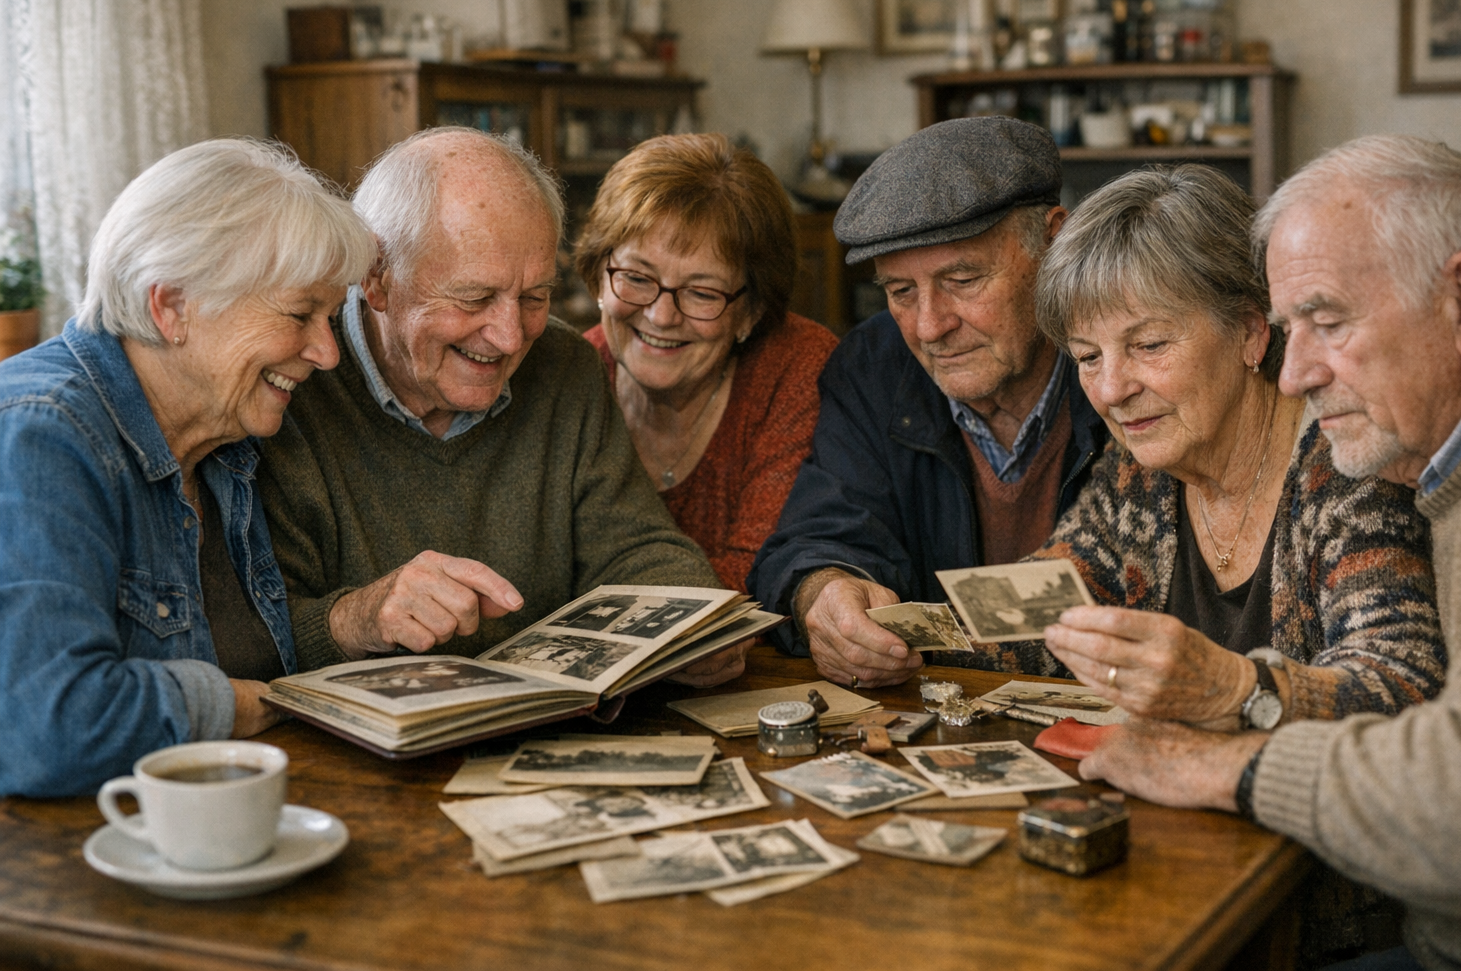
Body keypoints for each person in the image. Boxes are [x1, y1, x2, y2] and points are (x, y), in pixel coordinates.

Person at [1078, 136, 1461, 971]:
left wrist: (1225, 764)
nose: (1292, 375)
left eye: (1326, 322)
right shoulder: (1459, 452)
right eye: (1292, 329)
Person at [257, 127, 741, 687]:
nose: (511, 337)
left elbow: (635, 546)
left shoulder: (563, 364)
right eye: (475, 298)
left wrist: (700, 624)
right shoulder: (289, 384)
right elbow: (246, 635)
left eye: (535, 297)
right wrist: (356, 617)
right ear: (377, 278)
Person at [0, 139, 375, 795]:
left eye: (330, 317)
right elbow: (48, 727)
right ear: (171, 306)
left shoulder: (226, 441)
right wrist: (231, 706)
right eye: (299, 315)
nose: (327, 352)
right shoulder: (42, 432)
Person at [1030, 164, 1444, 732]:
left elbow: (1399, 681)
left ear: (1251, 331)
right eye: (1087, 356)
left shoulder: (1347, 462)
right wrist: (892, 627)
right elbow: (1032, 615)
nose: (1110, 391)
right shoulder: (1142, 469)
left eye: (1149, 344)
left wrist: (1232, 688)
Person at [749, 116, 1109, 688]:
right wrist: (824, 593)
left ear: (1054, 241)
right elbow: (821, 533)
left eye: (963, 280)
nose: (929, 326)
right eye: (899, 291)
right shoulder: (873, 366)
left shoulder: (1125, 363)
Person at [576, 133, 838, 593]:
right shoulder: (570, 377)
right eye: (636, 277)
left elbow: (762, 576)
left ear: (751, 311)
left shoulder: (795, 370)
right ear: (599, 273)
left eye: (701, 293)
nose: (661, 315)